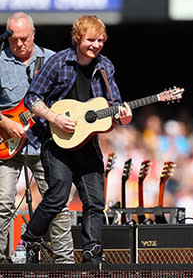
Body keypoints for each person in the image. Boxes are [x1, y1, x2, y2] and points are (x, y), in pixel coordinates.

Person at [20, 15, 133, 263]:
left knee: (95, 200)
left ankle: (93, 253)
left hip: (87, 143)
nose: (96, 45)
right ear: (77, 38)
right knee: (59, 195)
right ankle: (30, 239)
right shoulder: (58, 62)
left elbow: (112, 111)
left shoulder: (105, 67)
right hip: (56, 141)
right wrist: (54, 118)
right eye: (91, 40)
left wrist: (123, 118)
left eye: (101, 40)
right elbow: (32, 98)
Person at [0, 12, 74, 264]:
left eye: (24, 38)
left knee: (57, 203)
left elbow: (68, 97)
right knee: (2, 205)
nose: (19, 44)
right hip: (6, 144)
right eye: (13, 40)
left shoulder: (52, 60)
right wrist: (4, 122)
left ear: (34, 33)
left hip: (43, 142)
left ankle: (65, 263)